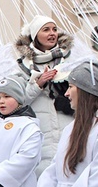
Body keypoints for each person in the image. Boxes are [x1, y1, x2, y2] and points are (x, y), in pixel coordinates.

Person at [14, 15, 88, 175]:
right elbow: (18, 101)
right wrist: (38, 84)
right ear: (35, 35)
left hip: (67, 123)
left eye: (54, 29)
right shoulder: (23, 66)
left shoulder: (71, 59)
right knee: (43, 174)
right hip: (40, 127)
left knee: (69, 170)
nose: (52, 33)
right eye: (46, 30)